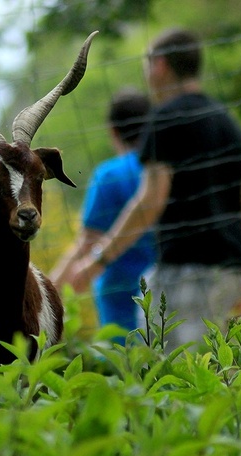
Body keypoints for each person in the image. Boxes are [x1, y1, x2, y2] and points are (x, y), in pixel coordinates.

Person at [67, 28, 241, 349]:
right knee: (218, 367)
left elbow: (149, 202)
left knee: (171, 373)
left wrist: (98, 258)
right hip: (228, 274)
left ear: (159, 65)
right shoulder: (226, 122)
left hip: (185, 272)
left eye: (147, 65)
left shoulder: (164, 119)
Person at [51, 89, 156, 337]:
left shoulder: (109, 175)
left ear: (113, 132)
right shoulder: (165, 171)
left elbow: (86, 242)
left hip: (120, 296)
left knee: (123, 366)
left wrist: (47, 290)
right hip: (167, 290)